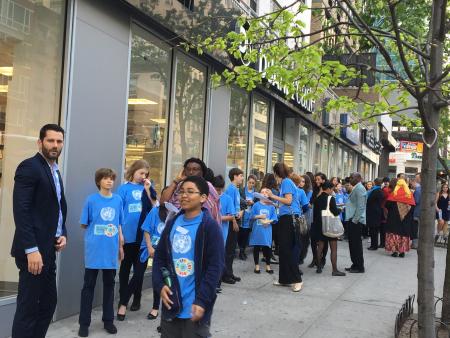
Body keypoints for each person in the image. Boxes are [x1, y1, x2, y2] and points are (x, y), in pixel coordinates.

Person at [11, 124, 68, 338]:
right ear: (40, 142)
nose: (55, 145)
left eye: (59, 141)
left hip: (48, 250)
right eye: (50, 140)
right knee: (28, 309)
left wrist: (62, 232)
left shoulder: (54, 170)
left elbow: (58, 207)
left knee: (47, 304)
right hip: (33, 253)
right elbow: (21, 211)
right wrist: (31, 249)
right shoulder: (30, 167)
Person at [152, 176, 224, 337]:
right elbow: (160, 257)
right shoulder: (172, 223)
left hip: (195, 309)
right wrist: (159, 284)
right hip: (172, 304)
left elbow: (215, 267)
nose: (184, 195)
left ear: (203, 198)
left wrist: (202, 300)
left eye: (190, 192)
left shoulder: (209, 227)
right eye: (181, 192)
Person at [78, 168, 124, 337]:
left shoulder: (118, 200)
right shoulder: (91, 200)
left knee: (110, 285)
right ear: (99, 181)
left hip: (111, 250)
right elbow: (84, 223)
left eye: (111, 178)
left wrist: (120, 244)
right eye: (105, 178)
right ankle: (84, 323)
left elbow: (119, 223)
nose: (109, 181)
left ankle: (108, 320)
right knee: (88, 286)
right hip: (94, 249)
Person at [117, 160, 155, 319]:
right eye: (141, 173)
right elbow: (118, 211)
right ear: (133, 172)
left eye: (146, 174)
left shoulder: (147, 189)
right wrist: (120, 235)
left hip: (142, 238)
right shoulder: (123, 189)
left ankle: (136, 298)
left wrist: (148, 189)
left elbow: (154, 208)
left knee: (139, 272)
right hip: (126, 237)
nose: (143, 176)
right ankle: (122, 299)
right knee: (125, 270)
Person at [268, 163, 303, 292]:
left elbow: (288, 201)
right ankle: (284, 279)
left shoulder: (286, 182)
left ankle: (297, 279)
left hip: (289, 220)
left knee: (288, 250)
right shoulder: (286, 183)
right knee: (283, 250)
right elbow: (285, 204)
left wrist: (272, 196)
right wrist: (272, 201)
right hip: (285, 218)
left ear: (277, 173)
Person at [160, 158, 221, 226]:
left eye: (195, 169)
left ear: (202, 172)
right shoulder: (180, 185)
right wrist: (176, 180)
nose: (191, 172)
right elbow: (163, 202)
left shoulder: (208, 187)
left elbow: (214, 212)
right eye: (188, 169)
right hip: (178, 226)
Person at [140, 204, 168, 320]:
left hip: (168, 252)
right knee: (143, 276)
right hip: (151, 250)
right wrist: (150, 247)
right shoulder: (155, 211)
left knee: (165, 280)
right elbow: (146, 229)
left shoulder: (178, 212)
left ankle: (161, 309)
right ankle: (155, 308)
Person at [313, 181, 346, 276]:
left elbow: (315, 215)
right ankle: (334, 270)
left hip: (320, 227)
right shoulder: (330, 198)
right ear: (328, 189)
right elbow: (335, 212)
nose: (332, 191)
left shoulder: (317, 199)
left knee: (320, 247)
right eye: (332, 189)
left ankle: (319, 267)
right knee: (334, 248)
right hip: (330, 226)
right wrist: (340, 209)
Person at [222, 168, 244, 284]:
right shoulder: (231, 189)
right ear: (234, 176)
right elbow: (229, 209)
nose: (242, 178)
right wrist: (235, 218)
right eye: (240, 175)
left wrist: (240, 212)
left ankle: (229, 272)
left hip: (235, 219)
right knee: (229, 249)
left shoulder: (235, 189)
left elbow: (235, 206)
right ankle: (226, 274)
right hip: (231, 222)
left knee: (231, 249)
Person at [249, 188, 278, 274]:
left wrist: (268, 221)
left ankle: (268, 266)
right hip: (257, 230)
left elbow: (274, 218)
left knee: (267, 247)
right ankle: (257, 266)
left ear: (269, 195)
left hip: (267, 230)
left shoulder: (271, 206)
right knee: (256, 247)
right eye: (262, 192)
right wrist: (259, 216)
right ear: (259, 195)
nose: (264, 194)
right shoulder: (256, 205)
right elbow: (251, 217)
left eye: (266, 192)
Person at [385, 178, 415, 257]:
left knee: (394, 233)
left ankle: (395, 251)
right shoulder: (410, 194)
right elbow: (412, 208)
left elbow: (387, 205)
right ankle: (402, 252)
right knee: (403, 235)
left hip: (394, 219)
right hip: (406, 220)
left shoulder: (394, 193)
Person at [344, 173, 366, 273]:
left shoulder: (360, 188)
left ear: (358, 178)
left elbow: (361, 206)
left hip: (355, 221)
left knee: (356, 245)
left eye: (352, 177)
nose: (350, 179)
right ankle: (355, 264)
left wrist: (355, 220)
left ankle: (359, 267)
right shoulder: (356, 187)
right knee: (352, 244)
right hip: (352, 219)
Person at [309, 172, 328, 269]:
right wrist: (318, 194)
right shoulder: (315, 190)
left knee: (323, 240)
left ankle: (322, 259)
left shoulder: (327, 190)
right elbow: (311, 202)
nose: (317, 181)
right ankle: (315, 259)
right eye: (316, 179)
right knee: (313, 240)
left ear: (323, 180)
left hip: (324, 218)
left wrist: (322, 193)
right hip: (315, 218)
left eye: (318, 179)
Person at [261, 173, 280, 260]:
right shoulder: (275, 191)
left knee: (265, 235)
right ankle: (269, 255)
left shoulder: (262, 190)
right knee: (271, 236)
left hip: (263, 215)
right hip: (273, 215)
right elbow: (278, 204)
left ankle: (265, 254)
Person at [239, 175, 257, 260]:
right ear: (247, 182)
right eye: (250, 182)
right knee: (241, 233)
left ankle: (242, 250)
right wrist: (246, 202)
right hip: (242, 215)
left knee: (246, 234)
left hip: (250, 217)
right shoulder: (242, 190)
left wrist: (253, 203)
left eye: (253, 183)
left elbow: (257, 204)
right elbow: (238, 200)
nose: (251, 184)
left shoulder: (256, 193)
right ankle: (240, 250)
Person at [366, 178, 384, 250]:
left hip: (373, 212)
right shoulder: (380, 190)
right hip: (377, 211)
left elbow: (369, 200)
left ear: (375, 182)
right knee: (374, 230)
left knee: (373, 230)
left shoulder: (375, 191)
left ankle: (374, 245)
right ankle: (374, 244)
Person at [411, 173, 421, 249]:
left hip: (417, 212)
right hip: (421, 212)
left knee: (415, 229)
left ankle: (415, 244)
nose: (415, 179)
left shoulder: (418, 189)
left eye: (416, 178)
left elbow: (416, 201)